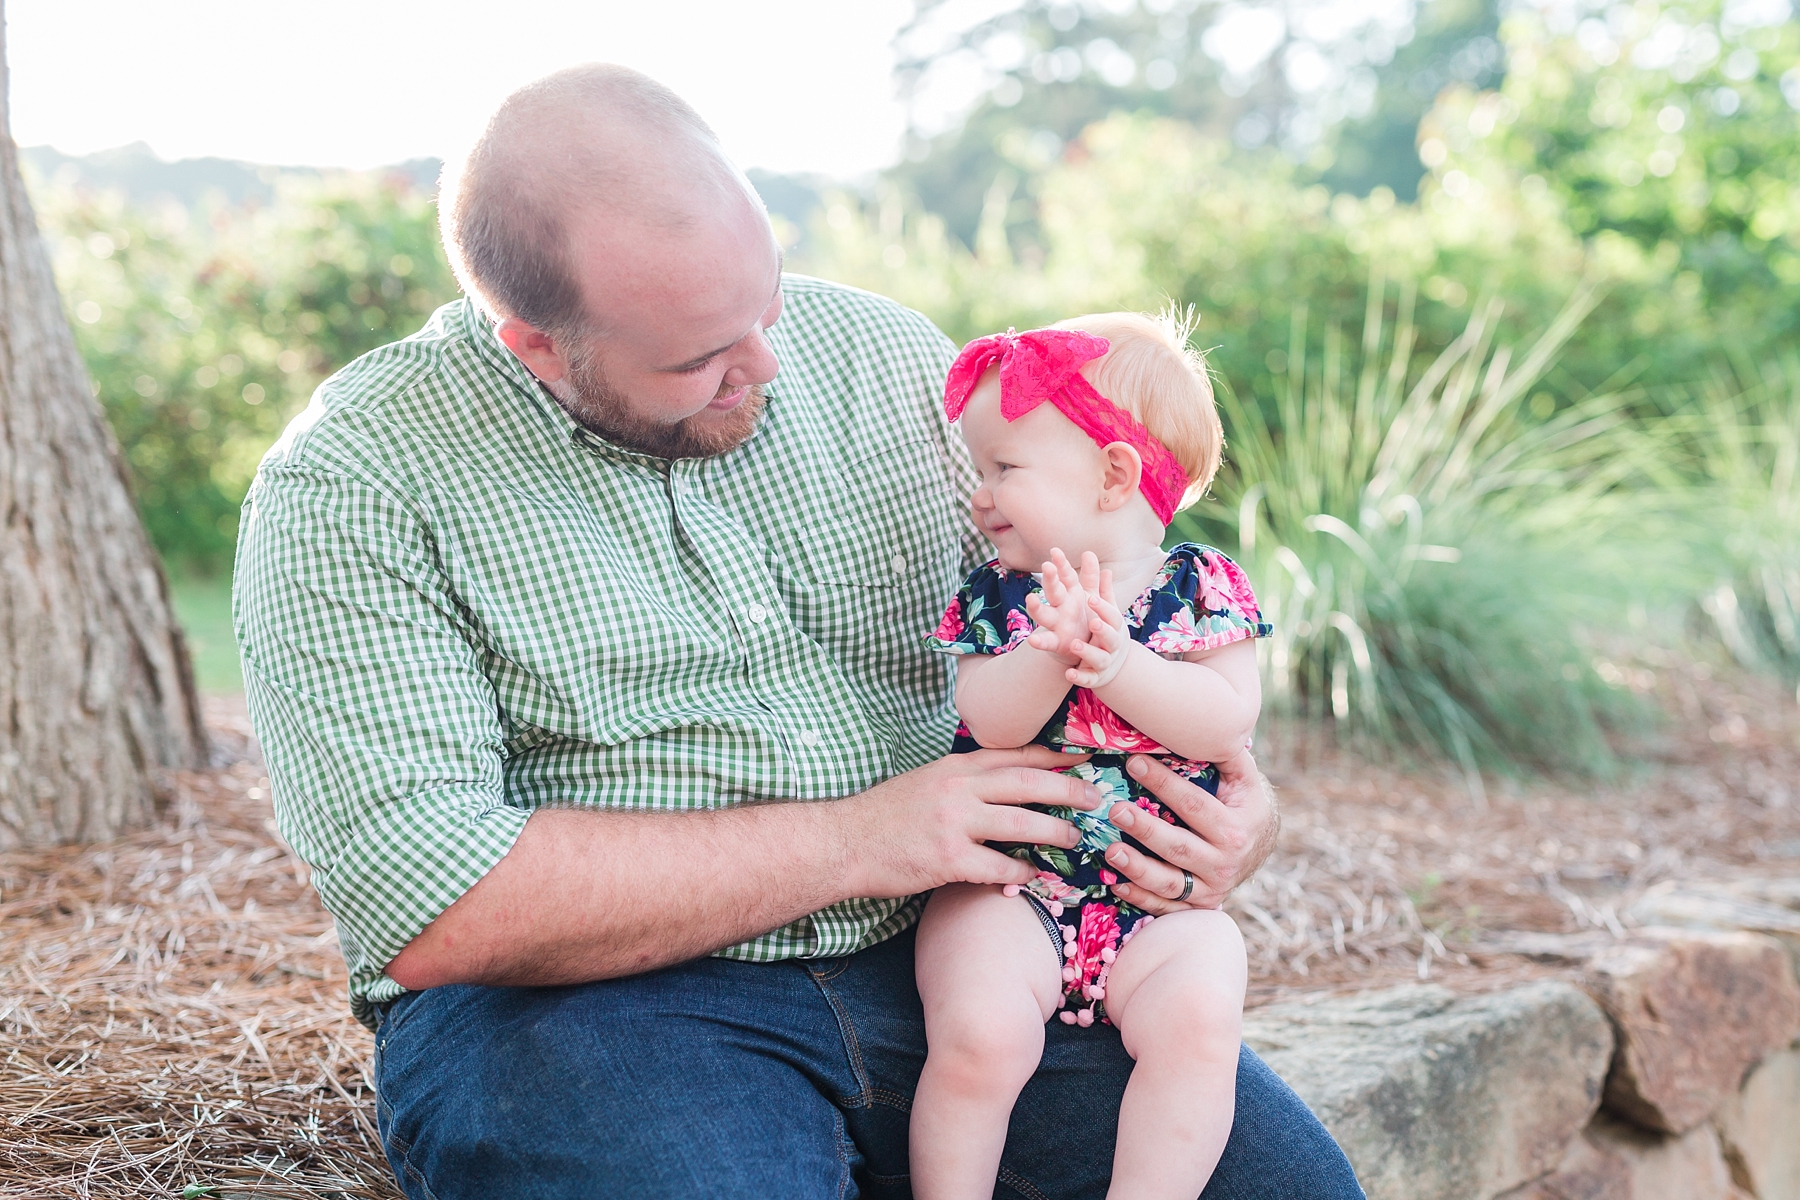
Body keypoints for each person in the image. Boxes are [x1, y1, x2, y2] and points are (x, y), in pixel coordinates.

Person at [233, 63, 1365, 1200]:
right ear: (536, 344)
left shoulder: (888, 360)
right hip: (594, 1011)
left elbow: (1088, 622)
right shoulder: (353, 484)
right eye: (698, 359)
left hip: (981, 937)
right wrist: (866, 839)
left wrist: (1233, 802)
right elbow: (429, 897)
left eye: (765, 303)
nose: (769, 363)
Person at [911, 317, 1263, 1200]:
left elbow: (1225, 721)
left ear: (1113, 475)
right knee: (980, 1035)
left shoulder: (1201, 586)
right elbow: (985, 720)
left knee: (1201, 1019)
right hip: (1011, 891)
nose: (980, 495)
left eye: (1005, 468)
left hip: (1158, 909)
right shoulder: (1003, 594)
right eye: (977, 470)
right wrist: (1046, 652)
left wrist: (1120, 665)